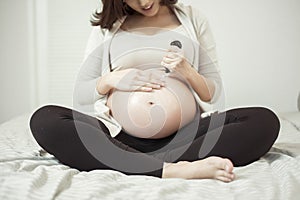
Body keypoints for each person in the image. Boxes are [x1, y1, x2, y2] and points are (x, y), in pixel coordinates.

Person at [29, 0, 280, 182]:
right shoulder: (107, 27)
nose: (144, 2)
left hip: (187, 137)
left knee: (264, 120)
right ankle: (173, 169)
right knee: (45, 119)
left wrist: (187, 70)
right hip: (119, 136)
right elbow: (83, 91)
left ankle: (132, 161)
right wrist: (113, 79)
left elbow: (211, 93)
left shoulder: (193, 19)